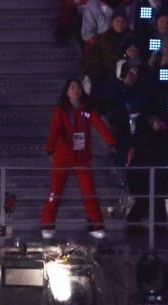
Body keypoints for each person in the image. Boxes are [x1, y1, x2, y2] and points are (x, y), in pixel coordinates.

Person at [40, 78, 116, 240]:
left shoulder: (87, 110)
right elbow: (55, 129)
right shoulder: (60, 110)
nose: (76, 90)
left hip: (82, 157)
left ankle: (96, 225)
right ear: (66, 92)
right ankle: (47, 224)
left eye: (78, 87)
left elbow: (100, 126)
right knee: (55, 192)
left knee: (89, 192)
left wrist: (111, 142)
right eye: (72, 87)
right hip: (62, 157)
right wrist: (50, 150)